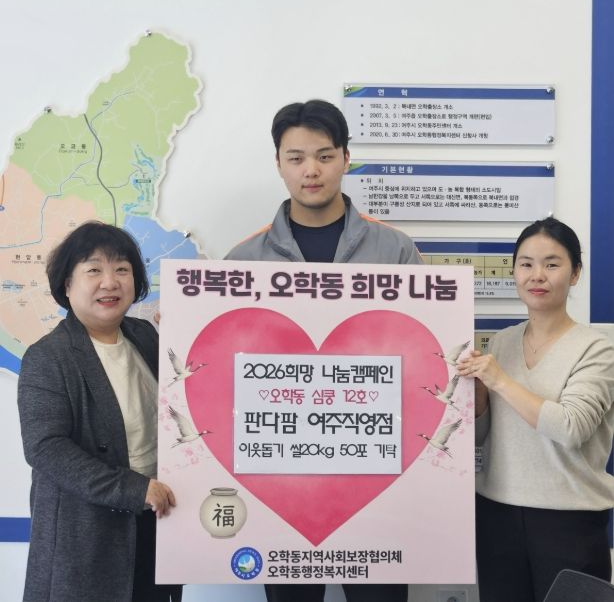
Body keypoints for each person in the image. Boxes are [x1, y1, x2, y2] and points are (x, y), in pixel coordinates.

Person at [226, 99, 421, 602]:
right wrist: (186, 323)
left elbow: (425, 353)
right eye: (296, 158)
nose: (310, 170)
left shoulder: (395, 250)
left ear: (346, 158)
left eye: (324, 156)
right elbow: (225, 370)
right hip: (282, 472)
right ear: (278, 164)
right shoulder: (244, 260)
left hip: (374, 461)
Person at [18, 221, 182, 602]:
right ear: (67, 285)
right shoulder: (47, 357)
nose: (110, 282)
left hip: (158, 521)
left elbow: (186, 400)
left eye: (122, 269)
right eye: (94, 270)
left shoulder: (146, 337)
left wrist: (185, 336)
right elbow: (46, 448)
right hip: (86, 537)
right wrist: (134, 489)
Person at [457, 217, 614, 602]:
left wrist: (500, 381)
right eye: (526, 264)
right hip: (496, 512)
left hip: (570, 520)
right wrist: (479, 399)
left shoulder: (597, 348)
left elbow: (571, 428)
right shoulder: (502, 342)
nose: (537, 275)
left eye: (552, 264)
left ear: (575, 274)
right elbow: (486, 437)